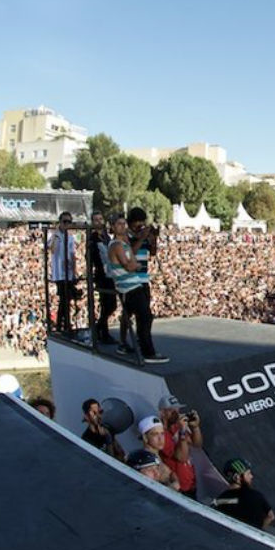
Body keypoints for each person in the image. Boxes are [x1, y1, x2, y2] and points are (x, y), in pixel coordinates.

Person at [107, 208, 166, 362]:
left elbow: (152, 253)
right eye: (136, 223)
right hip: (130, 280)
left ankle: (141, 340)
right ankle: (124, 342)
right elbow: (130, 254)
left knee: (144, 315)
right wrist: (141, 238)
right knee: (129, 314)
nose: (139, 226)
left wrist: (153, 239)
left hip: (142, 278)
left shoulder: (135, 237)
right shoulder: (126, 238)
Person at [158, 394, 202, 500]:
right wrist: (182, 432)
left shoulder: (177, 427)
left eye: (178, 410)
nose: (176, 413)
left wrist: (195, 427)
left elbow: (197, 444)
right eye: (172, 411)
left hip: (190, 484)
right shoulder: (160, 433)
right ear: (163, 412)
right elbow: (181, 457)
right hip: (178, 488)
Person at [214, 457, 275, 530]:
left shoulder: (221, 499)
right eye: (248, 473)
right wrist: (257, 531)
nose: (251, 476)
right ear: (237, 477)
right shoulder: (257, 496)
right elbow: (271, 516)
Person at [87, 211, 118, 345]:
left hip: (110, 273)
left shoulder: (106, 236)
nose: (99, 221)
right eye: (96, 220)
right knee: (107, 303)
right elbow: (90, 257)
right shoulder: (93, 238)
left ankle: (100, 327)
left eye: (100, 219)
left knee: (111, 304)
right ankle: (102, 331)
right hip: (101, 275)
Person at [47, 211, 79, 337]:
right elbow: (52, 249)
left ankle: (66, 323)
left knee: (68, 299)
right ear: (60, 222)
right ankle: (62, 324)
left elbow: (72, 254)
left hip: (69, 272)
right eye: (65, 222)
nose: (67, 224)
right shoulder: (54, 236)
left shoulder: (70, 237)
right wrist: (55, 235)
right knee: (64, 299)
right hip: (59, 273)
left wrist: (74, 270)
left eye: (69, 222)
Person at [138, 415, 183, 493]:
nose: (160, 438)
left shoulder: (157, 456)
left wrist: (175, 482)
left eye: (162, 434)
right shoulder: (145, 460)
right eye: (155, 434)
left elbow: (171, 474)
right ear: (145, 437)